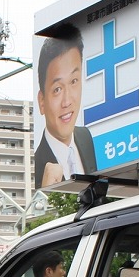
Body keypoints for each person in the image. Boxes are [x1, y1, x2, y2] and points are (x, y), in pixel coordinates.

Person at [34, 30, 98, 188]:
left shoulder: (85, 137)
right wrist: (45, 193)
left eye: (74, 81)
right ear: (42, 101)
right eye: (57, 89)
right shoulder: (37, 169)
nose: (67, 101)